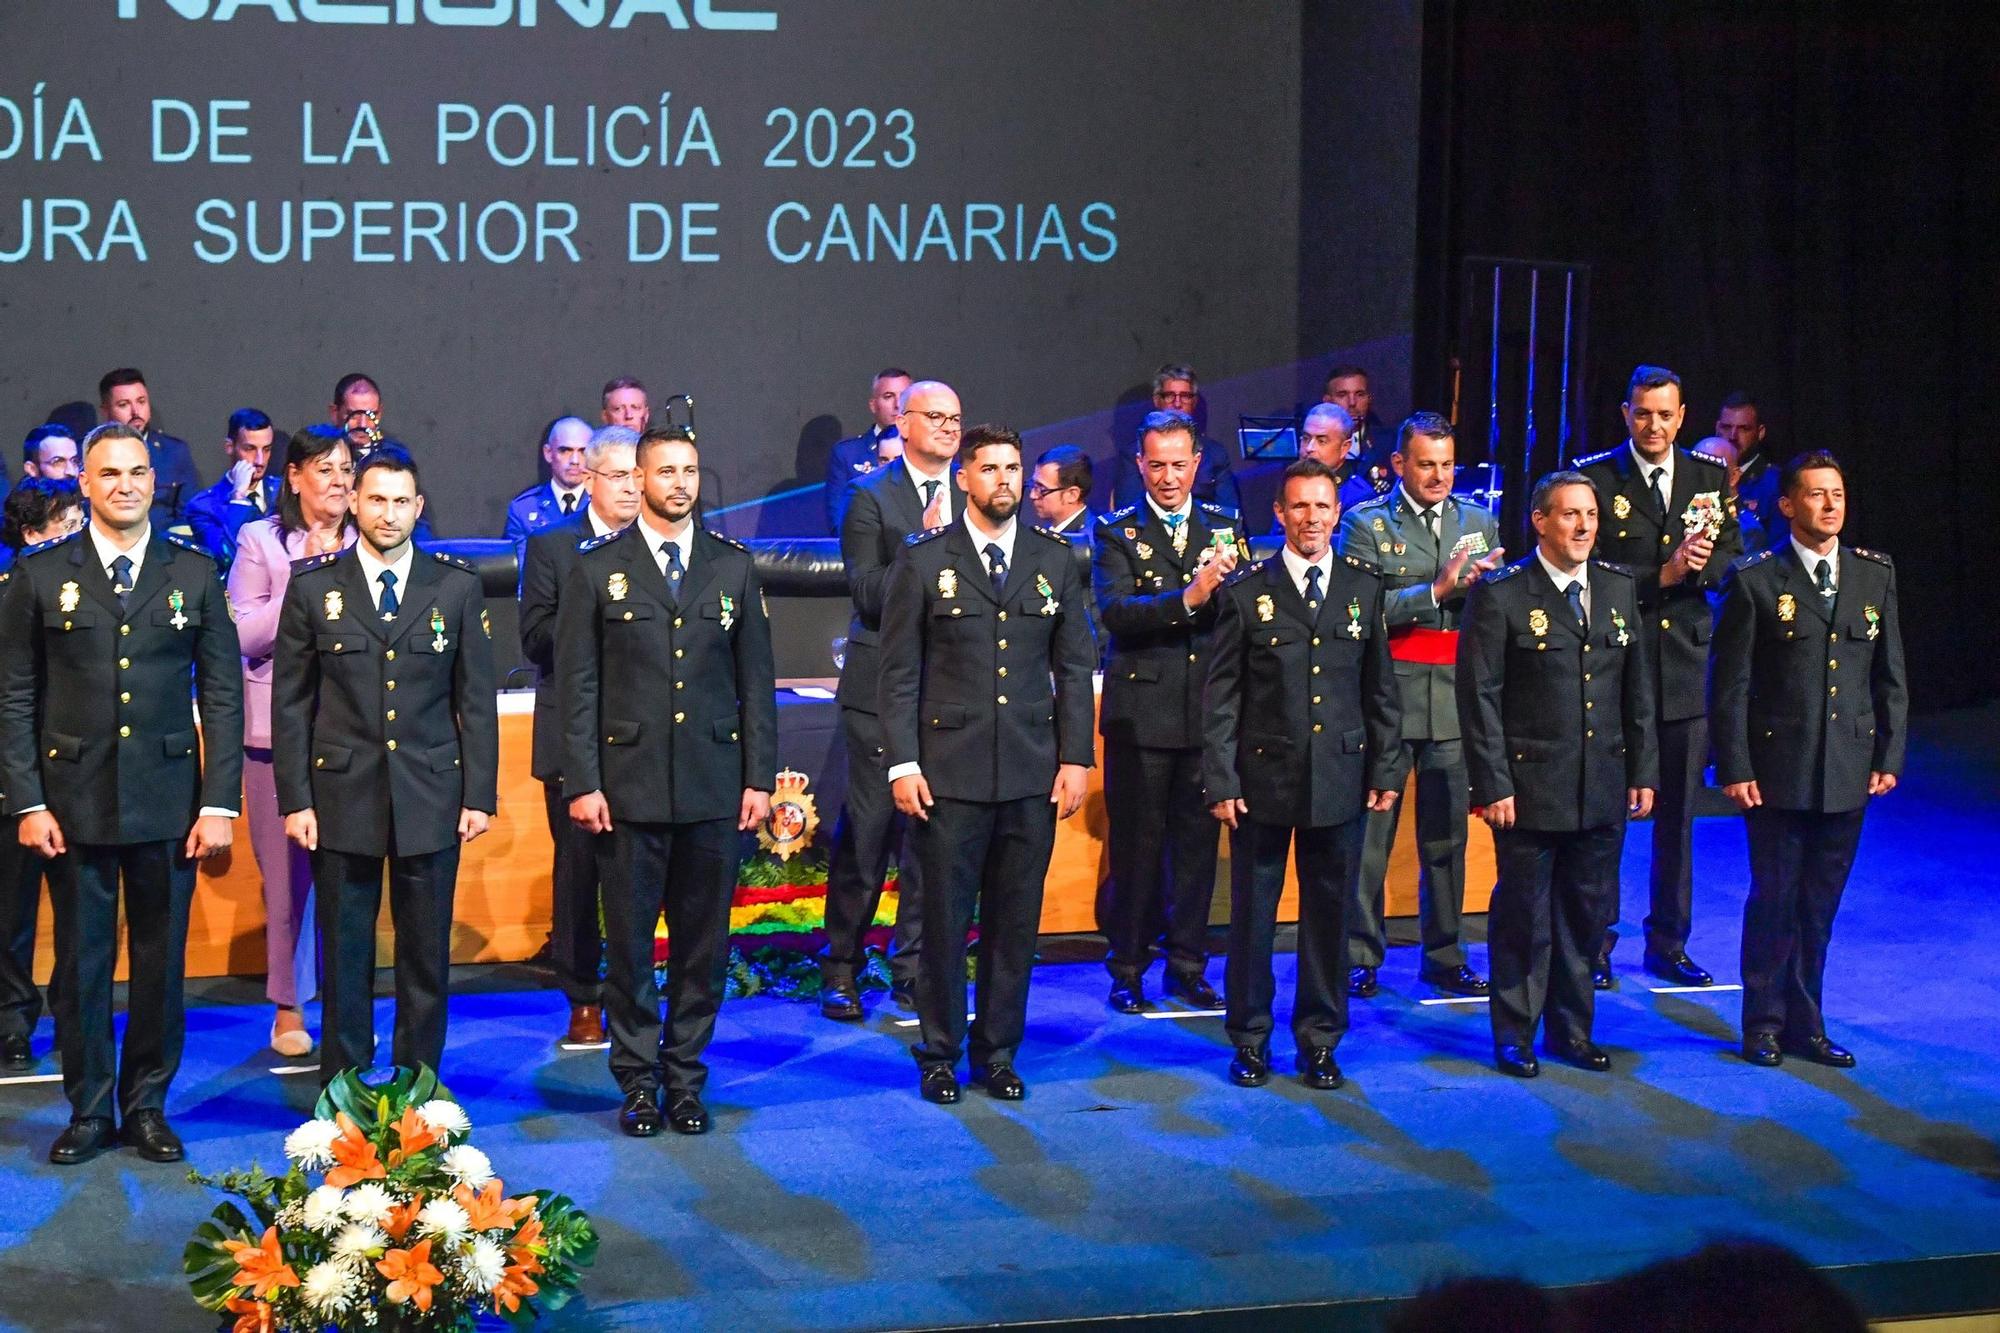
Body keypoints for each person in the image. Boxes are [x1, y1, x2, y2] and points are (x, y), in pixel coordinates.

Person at [0, 422, 243, 1164]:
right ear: (85, 484)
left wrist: (218, 802)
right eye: (109, 474)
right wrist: (28, 800)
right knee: (81, 967)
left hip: (169, 801)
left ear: (153, 480)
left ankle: (146, 1104)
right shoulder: (40, 576)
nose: (126, 485)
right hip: (71, 806)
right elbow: (13, 694)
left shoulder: (195, 572)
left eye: (137, 472)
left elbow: (226, 696)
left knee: (161, 966)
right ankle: (88, 1107)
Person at [555, 425, 776, 1136]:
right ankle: (637, 1081)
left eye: (690, 469)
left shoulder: (732, 566)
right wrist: (583, 781)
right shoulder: (596, 568)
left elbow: (757, 685)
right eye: (665, 470)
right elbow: (578, 688)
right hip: (628, 790)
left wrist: (760, 778)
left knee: (702, 949)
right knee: (627, 947)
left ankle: (685, 1079)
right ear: (638, 480)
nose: (679, 482)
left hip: (714, 788)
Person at [881, 423, 1095, 1104]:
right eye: (990, 468)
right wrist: (903, 763)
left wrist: (1078, 757)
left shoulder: (1056, 559)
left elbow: (1074, 662)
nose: (1004, 479)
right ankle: (939, 1050)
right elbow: (899, 674)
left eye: (1013, 467)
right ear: (964, 479)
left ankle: (998, 1051)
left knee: (1014, 921)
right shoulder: (922, 561)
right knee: (943, 920)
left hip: (1031, 770)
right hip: (948, 772)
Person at [273, 449, 497, 1084]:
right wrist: (296, 799)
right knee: (345, 954)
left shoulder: (454, 585)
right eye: (376, 499)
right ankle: (343, 1087)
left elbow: (476, 700)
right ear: (353, 503)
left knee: (425, 955)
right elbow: (290, 703)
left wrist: (478, 795)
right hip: (341, 796)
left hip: (431, 794)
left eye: (402, 501)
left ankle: (417, 1084)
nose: (389, 513)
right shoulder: (314, 586)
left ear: (418, 508)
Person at [1203, 457, 1400, 1091]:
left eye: (1322, 506)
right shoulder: (1245, 592)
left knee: (1330, 916)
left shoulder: (1363, 588)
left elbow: (1380, 692)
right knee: (1254, 918)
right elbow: (1221, 699)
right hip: (1263, 781)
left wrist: (1386, 767)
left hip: (1341, 779)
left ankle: (1320, 1040)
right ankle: (1251, 1039)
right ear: (1280, 514)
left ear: (1337, 513)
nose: (1311, 518)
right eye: (1300, 507)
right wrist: (1223, 780)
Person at [1457, 471, 1657, 1077]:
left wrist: (1642, 770)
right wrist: (1492, 783)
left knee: (1586, 913)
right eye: (1569, 515)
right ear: (1540, 521)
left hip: (1600, 781)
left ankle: (1572, 1029)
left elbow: (1636, 692)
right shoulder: (1502, 594)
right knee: (1523, 914)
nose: (1583, 526)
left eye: (1590, 515)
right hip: (1529, 787)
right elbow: (1479, 697)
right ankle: (1514, 1032)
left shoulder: (1619, 589)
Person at [1710, 451, 1905, 1069]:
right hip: (1778, 771)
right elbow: (1731, 684)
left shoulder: (1873, 575)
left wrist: (1889, 752)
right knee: (1775, 899)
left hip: (1848, 767)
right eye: (1817, 495)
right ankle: (1763, 1023)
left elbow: (1889, 675)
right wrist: (1734, 765)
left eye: (1838, 495)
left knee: (1819, 906)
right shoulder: (1755, 579)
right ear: (1788, 505)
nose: (1830, 506)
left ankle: (1807, 1023)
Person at [1577, 365, 1738, 989]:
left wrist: (1701, 567)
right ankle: (1594, 942)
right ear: (1626, 413)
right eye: (1643, 413)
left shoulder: (1705, 474)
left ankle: (1668, 942)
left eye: (1665, 414)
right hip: (1617, 664)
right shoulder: (1595, 476)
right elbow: (1586, 569)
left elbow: (1728, 552)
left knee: (1677, 816)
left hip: (1683, 667)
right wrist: (1661, 576)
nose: (1654, 425)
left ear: (1682, 415)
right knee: (1608, 813)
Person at [1336, 413, 1506, 998]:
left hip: (1454, 699)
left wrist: (1487, 589)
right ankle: (1360, 954)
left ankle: (1445, 954)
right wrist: (1436, 591)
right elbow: (1356, 612)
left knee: (1447, 840)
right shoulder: (1365, 524)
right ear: (1399, 465)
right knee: (1371, 837)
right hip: (1388, 697)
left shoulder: (1479, 520)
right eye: (1426, 463)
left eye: (1447, 464)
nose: (1438, 475)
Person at [1092, 410, 1248, 1013]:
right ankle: (1127, 967)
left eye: (1179, 465)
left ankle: (1188, 966)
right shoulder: (1116, 531)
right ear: (1139, 465)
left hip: (1208, 712)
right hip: (1143, 715)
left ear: (1196, 465)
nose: (1168, 477)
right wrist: (1188, 598)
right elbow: (1116, 613)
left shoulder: (1224, 524)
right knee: (1137, 849)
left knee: (1198, 847)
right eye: (1156, 465)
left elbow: (1237, 613)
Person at [817, 380, 962, 1019]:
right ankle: (842, 967)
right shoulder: (870, 497)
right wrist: (923, 547)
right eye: (934, 417)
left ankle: (914, 969)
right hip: (880, 692)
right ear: (902, 424)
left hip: (951, 692)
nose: (949, 428)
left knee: (933, 841)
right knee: (870, 836)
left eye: (956, 418)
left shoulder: (976, 492)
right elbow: (869, 595)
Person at [229, 426, 358, 1058]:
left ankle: (346, 998)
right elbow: (246, 634)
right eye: (325, 468)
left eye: (346, 468)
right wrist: (310, 573)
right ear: (295, 477)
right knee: (286, 882)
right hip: (275, 735)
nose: (339, 479)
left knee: (349, 872)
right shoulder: (261, 539)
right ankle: (287, 1005)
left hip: (354, 731)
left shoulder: (372, 539)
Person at [518, 425, 642, 1047]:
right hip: (575, 734)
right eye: (618, 476)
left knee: (638, 874)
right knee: (579, 874)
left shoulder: (660, 545)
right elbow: (535, 640)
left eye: (637, 475)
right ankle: (583, 997)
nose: (631, 488)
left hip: (644, 737)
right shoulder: (553, 547)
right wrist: (593, 606)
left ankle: (634, 991)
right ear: (588, 479)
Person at [0, 476, 84, 1068]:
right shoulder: (9, 590)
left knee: (81, 911)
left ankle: (74, 1013)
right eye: (67, 525)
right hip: (13, 777)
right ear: (32, 535)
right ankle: (12, 1018)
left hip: (73, 771)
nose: (80, 535)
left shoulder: (88, 589)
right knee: (11, 911)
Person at [1111, 364, 1243, 511]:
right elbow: (1128, 512)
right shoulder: (1132, 454)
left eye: (1185, 396)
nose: (1177, 403)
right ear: (1156, 400)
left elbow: (1229, 513)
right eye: (1169, 396)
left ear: (1194, 401)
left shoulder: (1215, 454)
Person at [98, 368, 204, 523]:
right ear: (105, 412)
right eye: (123, 405)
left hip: (163, 543)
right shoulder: (91, 454)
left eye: (141, 401)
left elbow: (188, 515)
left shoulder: (174, 452)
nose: (135, 412)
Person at [182, 408, 281, 569]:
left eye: (267, 449)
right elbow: (225, 558)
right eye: (250, 449)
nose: (260, 460)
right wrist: (239, 498)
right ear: (229, 447)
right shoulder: (203, 507)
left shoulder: (284, 491)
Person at [825, 367, 912, 533]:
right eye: (888, 396)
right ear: (873, 405)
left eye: (904, 396)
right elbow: (838, 523)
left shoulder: (928, 450)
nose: (897, 405)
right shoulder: (848, 454)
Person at [504, 416, 595, 550]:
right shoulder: (523, 509)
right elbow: (524, 566)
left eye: (583, 451)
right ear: (548, 453)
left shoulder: (603, 503)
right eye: (565, 450)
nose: (575, 460)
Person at [1717, 391, 1785, 554]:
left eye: (1744, 429)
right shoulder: (1697, 472)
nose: (1733, 436)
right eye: (1727, 427)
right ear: (1717, 428)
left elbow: (1778, 548)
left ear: (1760, 432)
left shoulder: (1775, 482)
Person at [1323, 365, 1396, 499]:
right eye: (1342, 395)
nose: (1352, 403)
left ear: (1369, 399)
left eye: (1360, 394)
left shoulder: (1390, 443)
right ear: (1327, 401)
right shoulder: (1313, 445)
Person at [0, 473, 85, 575]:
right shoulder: (15, 586)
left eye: (83, 523)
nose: (82, 533)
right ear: (30, 534)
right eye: (69, 526)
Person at [1029, 444, 1097, 537]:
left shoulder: (1090, 542)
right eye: (1034, 485)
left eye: (1042, 489)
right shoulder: (1043, 532)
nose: (1033, 495)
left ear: (1072, 495)